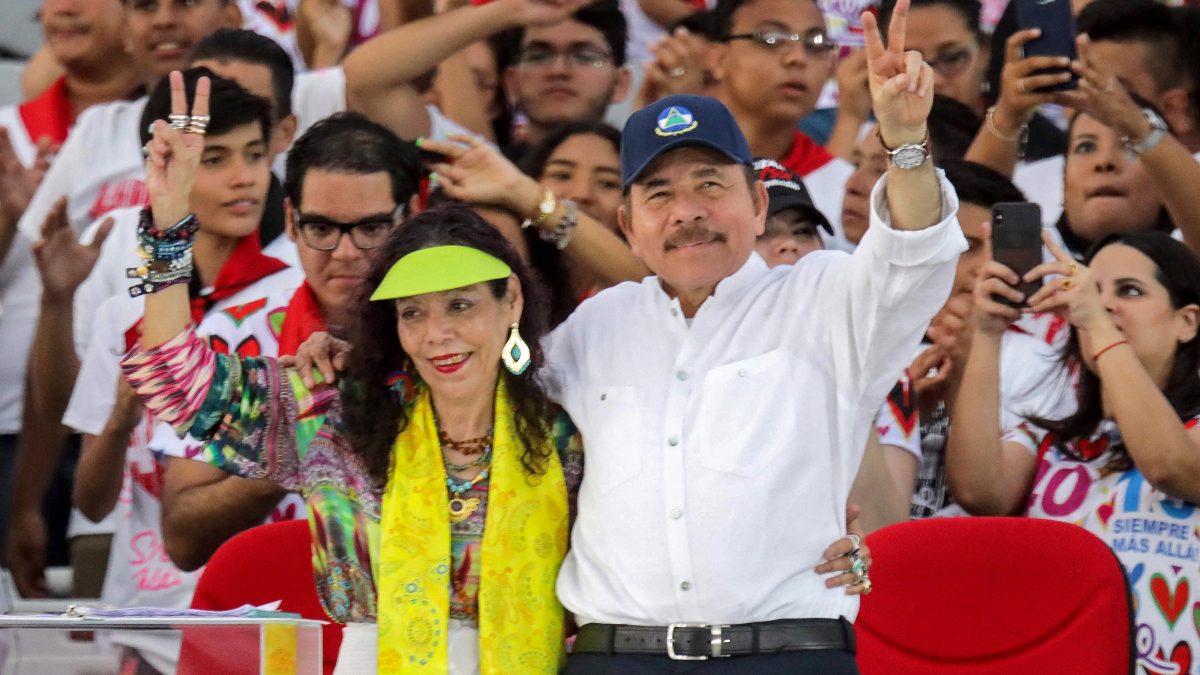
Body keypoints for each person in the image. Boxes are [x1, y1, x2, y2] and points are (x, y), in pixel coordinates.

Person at [542, 0, 961, 666]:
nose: (689, 213)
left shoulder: (824, 297)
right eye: (659, 195)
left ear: (758, 203)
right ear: (627, 226)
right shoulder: (596, 324)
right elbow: (498, 379)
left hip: (786, 652)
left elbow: (917, 250)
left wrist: (905, 141)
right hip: (616, 654)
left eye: (711, 183)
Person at [123, 73, 582, 672]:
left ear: (511, 303)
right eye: (412, 312)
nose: (437, 333)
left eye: (461, 305)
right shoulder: (332, 410)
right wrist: (168, 216)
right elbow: (177, 378)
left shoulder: (565, 433)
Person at [157, 111, 422, 572]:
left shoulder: (452, 333)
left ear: (410, 219)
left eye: (372, 229)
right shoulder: (236, 334)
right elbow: (182, 538)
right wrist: (290, 450)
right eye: (321, 229)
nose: (345, 252)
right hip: (276, 621)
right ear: (291, 222)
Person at [946, 231, 1200, 672]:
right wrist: (987, 332)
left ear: (1188, 322)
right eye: (1091, 291)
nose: (1105, 304)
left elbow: (1167, 465)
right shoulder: (1053, 438)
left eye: (1130, 291)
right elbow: (979, 491)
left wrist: (1099, 322)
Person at [0, 0, 139, 593]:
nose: (64, 8)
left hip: (115, 423)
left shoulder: (174, 139)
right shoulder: (8, 131)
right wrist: (12, 217)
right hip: (13, 422)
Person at [497, 0, 632, 153]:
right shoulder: (480, 172)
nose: (558, 70)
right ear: (511, 82)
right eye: (538, 56)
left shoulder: (642, 174)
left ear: (620, 83)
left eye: (585, 57)